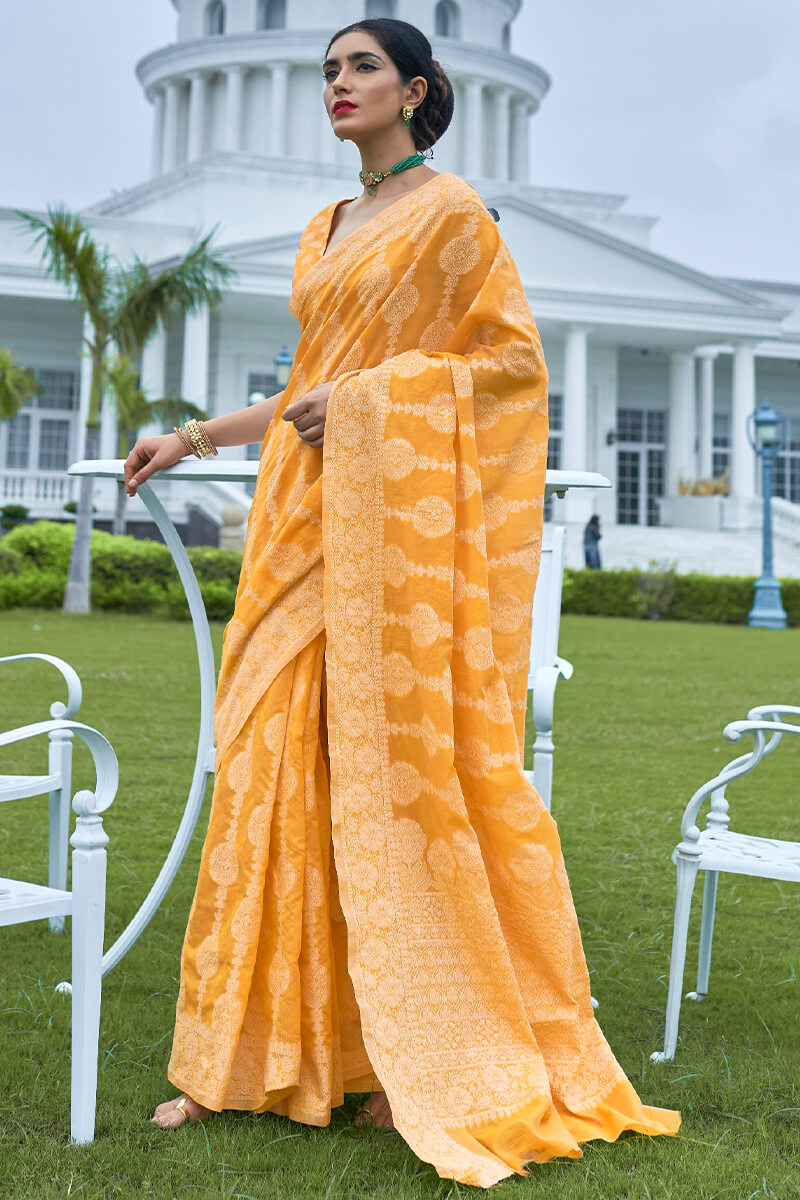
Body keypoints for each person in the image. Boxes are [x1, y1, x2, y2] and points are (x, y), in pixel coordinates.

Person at [124, 18, 679, 1188]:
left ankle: (412, 1053)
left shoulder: (454, 216)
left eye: (360, 67)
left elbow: (509, 367)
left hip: (395, 546)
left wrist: (377, 400)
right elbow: (304, 387)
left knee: (404, 774)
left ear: (415, 89)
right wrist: (188, 437)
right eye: (328, 69)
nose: (337, 83)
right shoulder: (326, 226)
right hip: (299, 525)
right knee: (271, 768)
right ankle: (240, 1059)